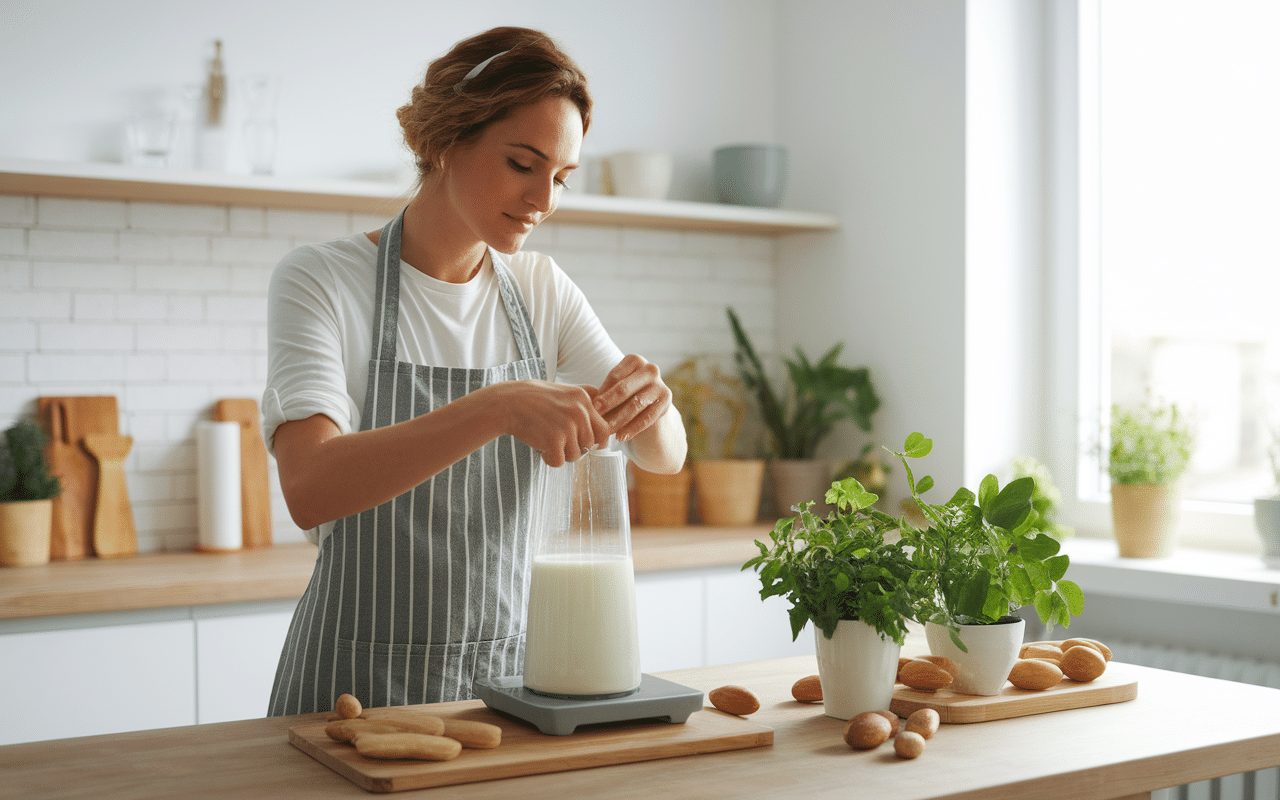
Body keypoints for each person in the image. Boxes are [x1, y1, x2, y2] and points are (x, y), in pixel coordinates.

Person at [263, 26, 686, 716]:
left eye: (561, 177)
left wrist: (653, 407)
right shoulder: (322, 280)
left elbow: (664, 457)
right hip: (351, 693)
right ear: (444, 142)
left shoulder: (541, 290)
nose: (544, 199)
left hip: (513, 687)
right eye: (523, 164)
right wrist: (497, 406)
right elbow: (310, 486)